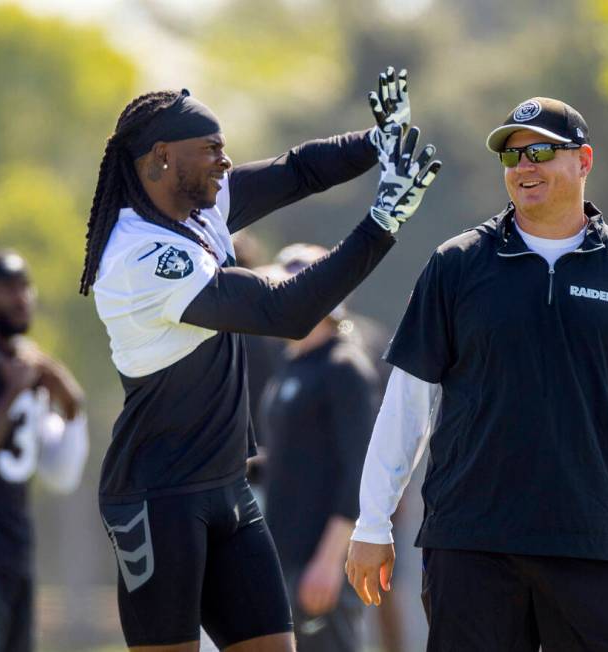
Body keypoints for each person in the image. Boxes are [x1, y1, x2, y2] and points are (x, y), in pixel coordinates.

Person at [345, 97, 608, 651]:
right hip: (471, 544)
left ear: (584, 161)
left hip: (594, 544)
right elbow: (408, 403)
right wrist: (372, 523)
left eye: (542, 151)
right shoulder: (456, 264)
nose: (524, 166)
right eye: (513, 156)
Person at [80, 67, 440, 652]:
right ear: (163, 157)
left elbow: (295, 171)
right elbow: (284, 312)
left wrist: (377, 142)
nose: (226, 163)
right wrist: (382, 222)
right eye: (213, 150)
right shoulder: (138, 256)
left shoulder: (191, 207)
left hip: (227, 488)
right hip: (158, 496)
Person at [257, 243, 380, 652]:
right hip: (284, 559)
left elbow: (359, 471)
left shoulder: (344, 367)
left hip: (321, 565)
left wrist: (330, 563)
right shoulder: (292, 362)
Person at [0, 249, 89, 652]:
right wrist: (12, 392)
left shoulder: (26, 362)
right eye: (8, 288)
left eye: (26, 287)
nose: (22, 297)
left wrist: (70, 399)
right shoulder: (4, 372)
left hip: (16, 552)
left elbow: (61, 473)